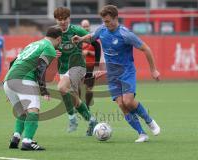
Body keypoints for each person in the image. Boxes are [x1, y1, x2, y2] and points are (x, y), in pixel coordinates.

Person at [72, 5, 161, 143]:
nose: (105, 24)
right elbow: (92, 37)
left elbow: (146, 49)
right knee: (121, 104)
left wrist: (153, 70)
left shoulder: (126, 34)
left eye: (108, 21)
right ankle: (142, 133)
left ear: (115, 18)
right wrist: (81, 39)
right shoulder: (102, 29)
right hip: (112, 75)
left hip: (126, 72)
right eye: (104, 21)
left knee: (128, 101)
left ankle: (149, 121)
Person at [3, 26, 62, 151]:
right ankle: (27, 142)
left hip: (8, 80)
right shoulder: (49, 48)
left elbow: (12, 62)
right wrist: (43, 90)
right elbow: (41, 68)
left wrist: (10, 86)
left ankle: (16, 138)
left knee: (22, 113)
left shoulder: (33, 44)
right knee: (33, 110)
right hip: (24, 80)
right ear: (59, 39)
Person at [54, 7, 99, 135]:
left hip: (77, 66)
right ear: (56, 20)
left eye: (65, 19)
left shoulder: (77, 30)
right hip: (63, 69)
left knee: (62, 88)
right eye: (59, 19)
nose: (62, 22)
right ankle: (92, 121)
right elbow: (48, 47)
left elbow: (96, 44)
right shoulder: (53, 32)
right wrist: (53, 53)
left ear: (69, 19)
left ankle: (72, 118)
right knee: (75, 99)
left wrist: (96, 66)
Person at [80, 19, 101, 110]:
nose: (85, 28)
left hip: (91, 67)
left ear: (89, 27)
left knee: (88, 88)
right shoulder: (78, 40)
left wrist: (89, 52)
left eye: (87, 26)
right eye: (83, 26)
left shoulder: (94, 40)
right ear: (81, 27)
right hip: (80, 67)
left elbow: (99, 53)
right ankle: (81, 105)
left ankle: (87, 106)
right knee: (79, 88)